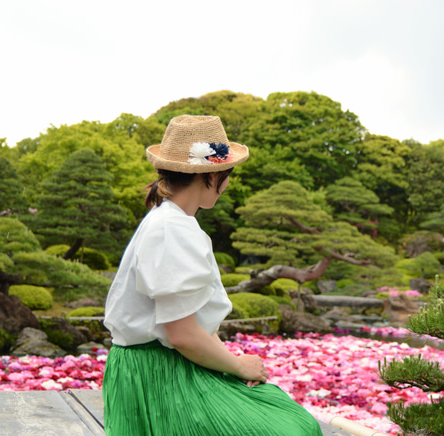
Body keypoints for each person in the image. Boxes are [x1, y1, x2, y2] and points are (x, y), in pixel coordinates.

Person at [103, 115, 322, 436]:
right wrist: (238, 365)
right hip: (158, 376)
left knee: (280, 409)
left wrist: (232, 362)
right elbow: (180, 335)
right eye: (227, 175)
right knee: (294, 428)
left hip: (161, 365)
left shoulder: (168, 220)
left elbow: (189, 324)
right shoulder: (172, 229)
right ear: (214, 175)